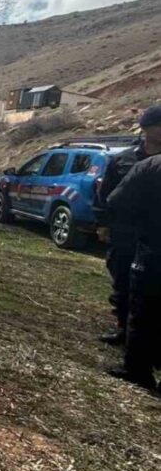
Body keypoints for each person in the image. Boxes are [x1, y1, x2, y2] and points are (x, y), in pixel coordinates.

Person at [93, 104, 161, 344]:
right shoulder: (123, 159)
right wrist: (103, 224)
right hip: (125, 233)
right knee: (122, 281)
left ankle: (146, 339)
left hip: (155, 237)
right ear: (146, 128)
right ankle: (124, 329)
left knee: (151, 290)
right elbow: (105, 194)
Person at [105, 147, 161, 393]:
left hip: (153, 247)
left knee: (144, 308)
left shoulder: (150, 166)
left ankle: (138, 370)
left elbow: (116, 201)